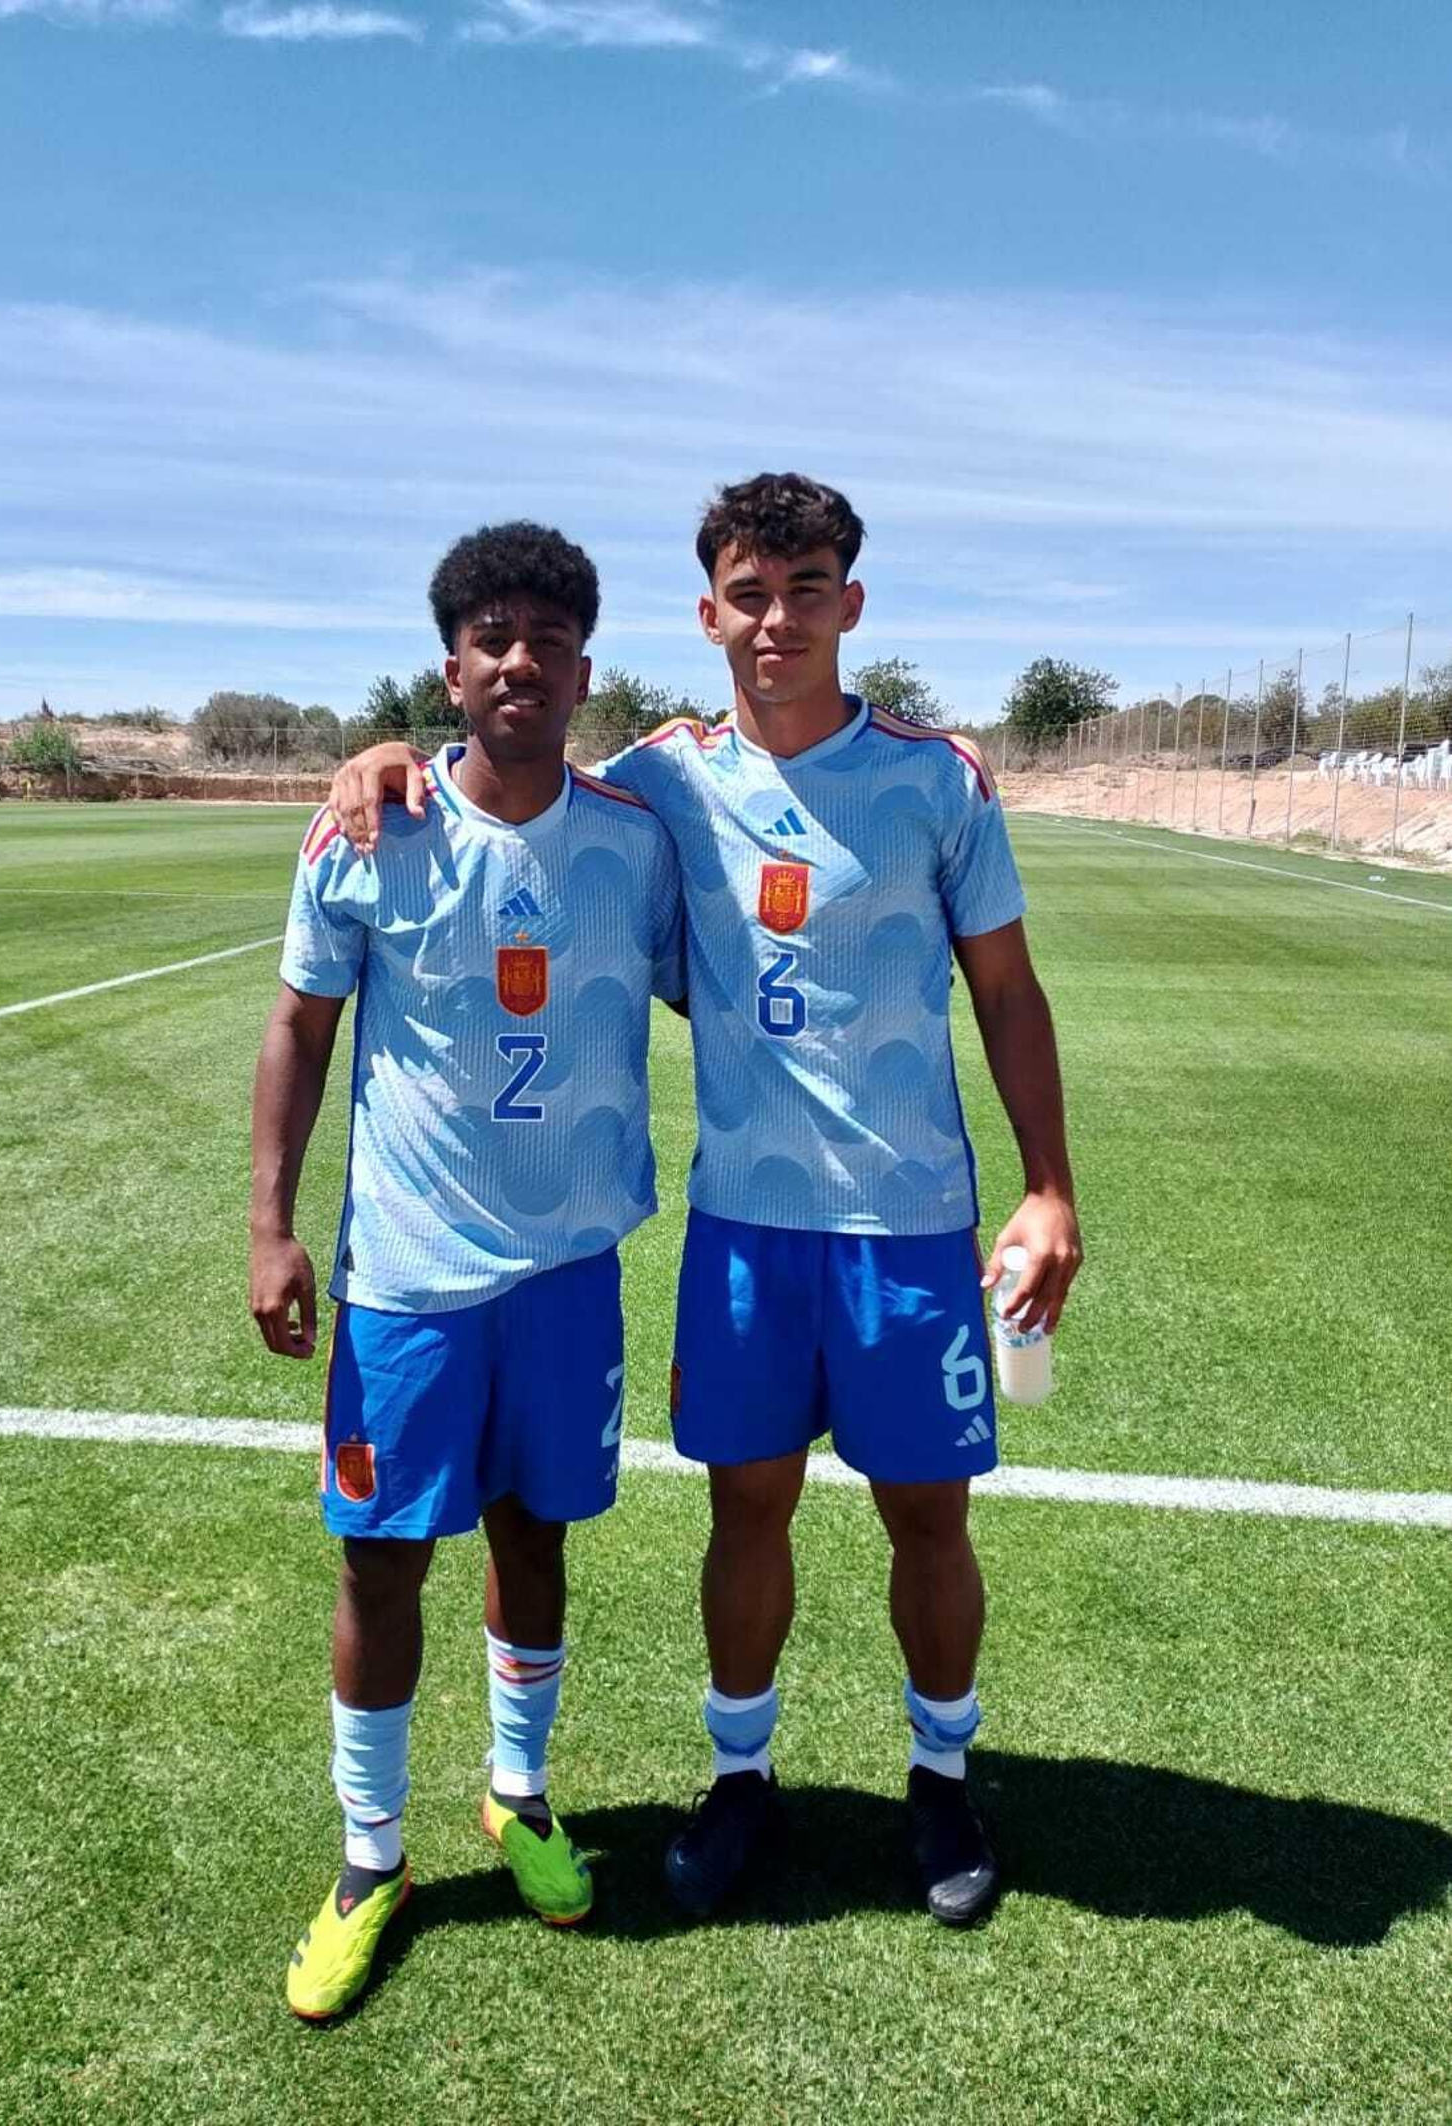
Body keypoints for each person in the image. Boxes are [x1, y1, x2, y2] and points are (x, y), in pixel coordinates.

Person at [327, 473, 1082, 1929]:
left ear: (850, 604)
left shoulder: (938, 781)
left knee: (931, 1518)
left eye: (808, 590)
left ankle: (939, 1776)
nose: (777, 619)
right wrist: (379, 757)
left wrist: (1050, 1187)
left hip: (911, 1225)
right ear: (709, 612)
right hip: (742, 1224)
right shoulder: (664, 781)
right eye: (751, 592)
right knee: (749, 1511)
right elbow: (512, 754)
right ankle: (742, 1780)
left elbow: (1007, 987)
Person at [251, 521, 683, 2021]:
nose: (518, 659)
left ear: (583, 667)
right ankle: (372, 1858)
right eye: (490, 636)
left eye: (546, 637)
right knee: (381, 1560)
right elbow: (302, 1025)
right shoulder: (369, 831)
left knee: (539, 1534)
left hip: (568, 1271)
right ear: (453, 665)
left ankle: (520, 1794)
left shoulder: (637, 841)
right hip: (410, 1281)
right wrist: (269, 1222)